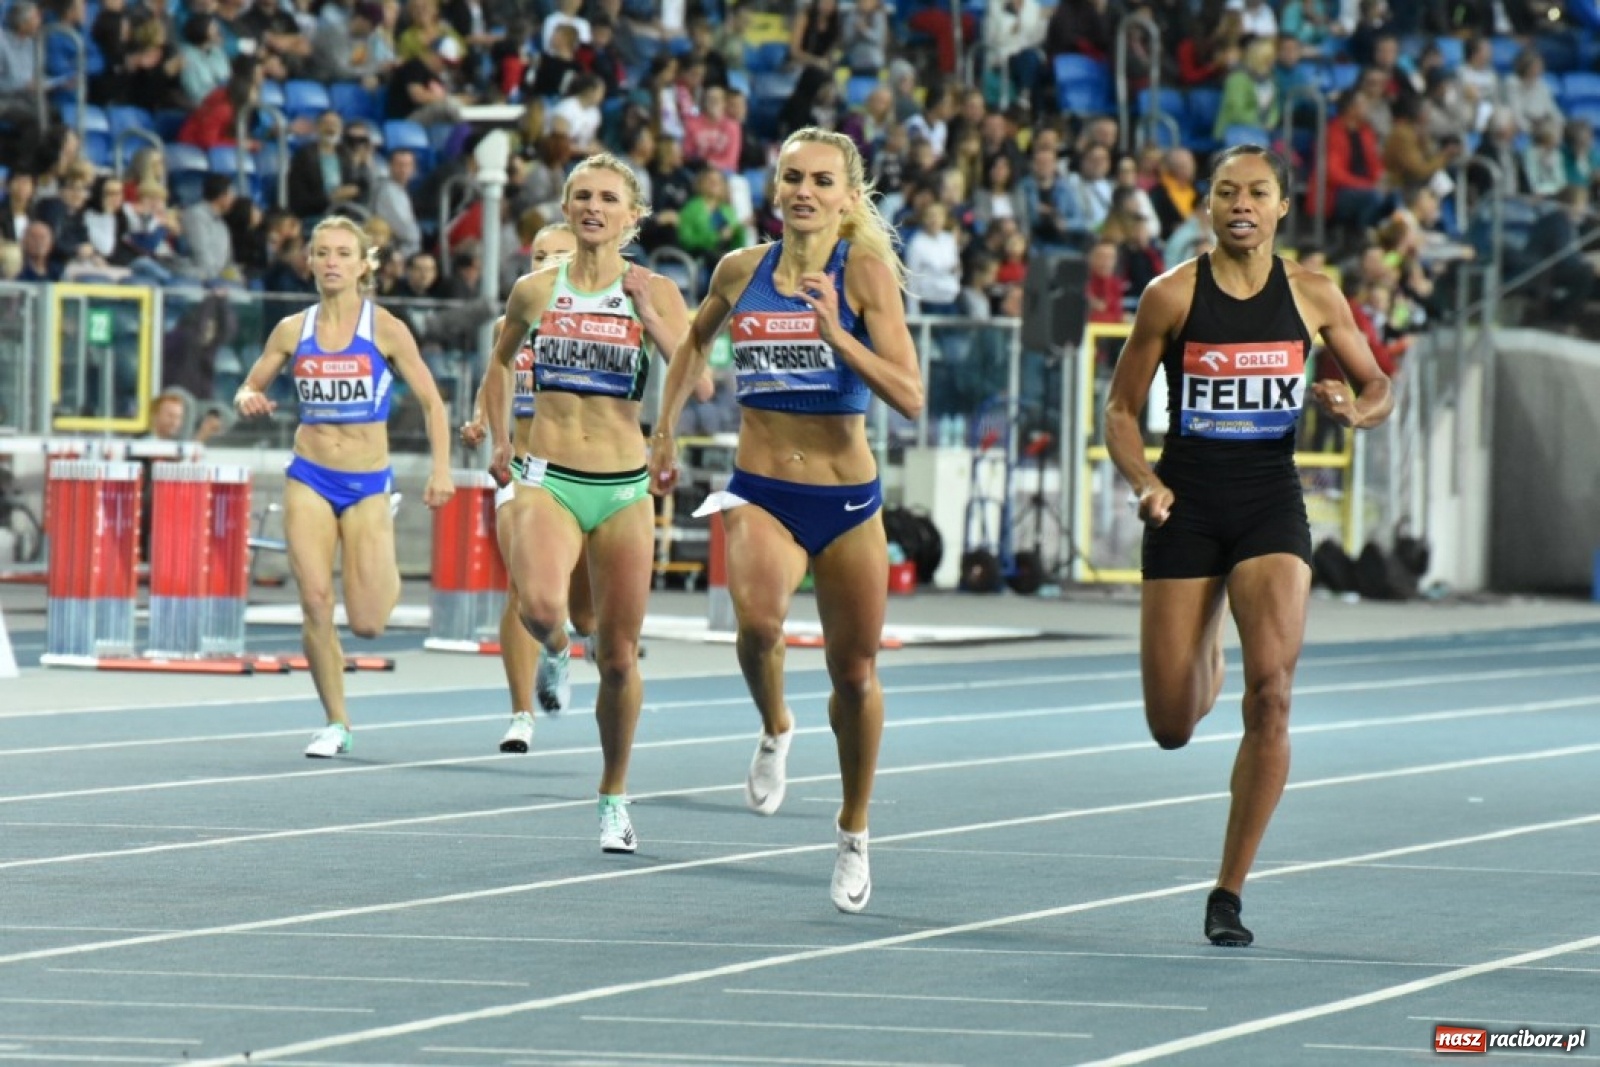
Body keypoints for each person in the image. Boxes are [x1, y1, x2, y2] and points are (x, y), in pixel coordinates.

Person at [1103, 144, 1393, 947]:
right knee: (1171, 724)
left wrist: (1356, 410)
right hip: (1186, 505)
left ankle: (1227, 891)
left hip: (1270, 503)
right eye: (1227, 192)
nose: (1241, 205)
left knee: (1273, 695)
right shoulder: (1170, 296)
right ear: (1206, 206)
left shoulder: (1313, 294)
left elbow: (1379, 384)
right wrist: (1144, 482)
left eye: (1257, 193)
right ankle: (1210, 646)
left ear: (1281, 207)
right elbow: (1120, 410)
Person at [647, 127, 923, 913]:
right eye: (793, 177)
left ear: (848, 198)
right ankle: (775, 724)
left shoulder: (863, 273)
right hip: (762, 487)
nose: (805, 191)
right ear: (775, 189)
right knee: (760, 624)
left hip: (847, 500)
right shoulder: (741, 271)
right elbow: (691, 344)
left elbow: (910, 394)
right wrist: (664, 428)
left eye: (822, 181)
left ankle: (853, 829)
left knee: (855, 674)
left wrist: (838, 336)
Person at [482, 153, 693, 855]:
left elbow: (697, 374)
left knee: (620, 657)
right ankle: (553, 647)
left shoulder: (655, 289)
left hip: (624, 487)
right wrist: (499, 437)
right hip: (547, 476)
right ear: (567, 207)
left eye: (607, 198)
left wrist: (651, 324)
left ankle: (613, 795)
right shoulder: (536, 290)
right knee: (543, 608)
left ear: (633, 216)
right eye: (581, 196)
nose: (593, 207)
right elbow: (500, 360)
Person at [233, 216, 455, 758]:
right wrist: (248, 398)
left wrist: (442, 469)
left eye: (342, 253)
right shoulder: (292, 330)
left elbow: (433, 402)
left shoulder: (386, 328)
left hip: (367, 482)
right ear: (309, 262)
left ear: (362, 266)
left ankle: (383, 541)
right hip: (309, 474)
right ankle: (336, 721)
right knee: (314, 600)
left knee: (368, 624)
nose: (331, 261)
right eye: (322, 252)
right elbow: (248, 386)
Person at [460, 222, 596, 751]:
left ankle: (571, 640)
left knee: (584, 610)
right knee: (521, 589)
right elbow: (496, 377)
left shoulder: (600, 319)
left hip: (587, 473)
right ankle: (522, 712)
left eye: (559, 255)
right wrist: (482, 420)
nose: (546, 264)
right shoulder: (513, 319)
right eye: (539, 255)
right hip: (524, 469)